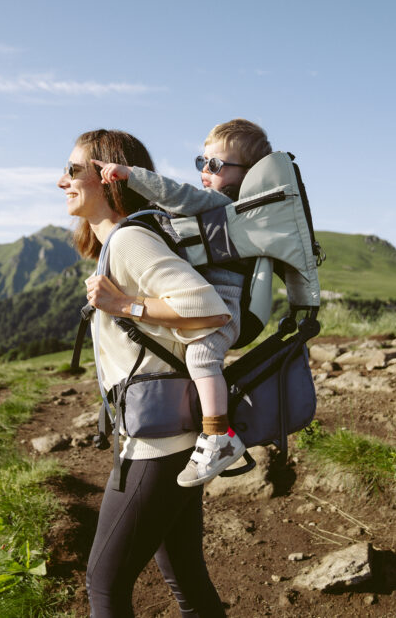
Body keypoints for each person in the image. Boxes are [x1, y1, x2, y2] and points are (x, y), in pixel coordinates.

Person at [59, 128, 229, 617]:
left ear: (108, 177)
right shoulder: (120, 242)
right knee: (186, 578)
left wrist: (125, 304)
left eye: (74, 170)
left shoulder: (131, 239)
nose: (62, 181)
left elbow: (208, 308)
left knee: (104, 584)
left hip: (156, 445)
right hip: (169, 433)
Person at [96, 118, 272, 487]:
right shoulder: (237, 213)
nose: (205, 172)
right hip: (220, 302)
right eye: (201, 162)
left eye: (215, 165)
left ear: (249, 174)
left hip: (222, 306)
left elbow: (179, 196)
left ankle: (218, 437)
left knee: (201, 357)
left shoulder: (224, 204)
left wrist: (131, 175)